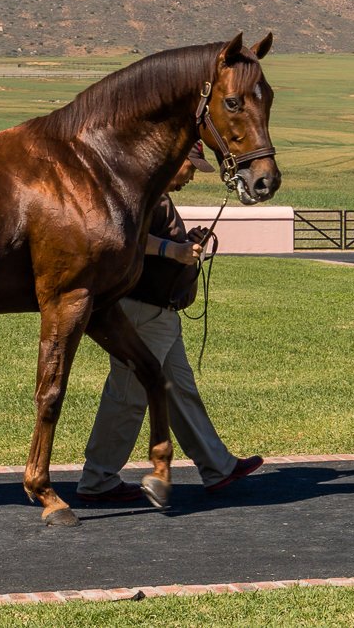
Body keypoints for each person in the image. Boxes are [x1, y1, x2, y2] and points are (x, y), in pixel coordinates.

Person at [76, 141, 263, 503]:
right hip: (144, 311)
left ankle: (217, 465)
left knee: (178, 390)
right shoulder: (144, 195)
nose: (192, 177)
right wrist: (172, 250)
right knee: (128, 394)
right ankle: (97, 479)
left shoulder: (154, 194)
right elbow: (122, 236)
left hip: (159, 313)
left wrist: (184, 243)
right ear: (173, 161)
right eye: (191, 168)